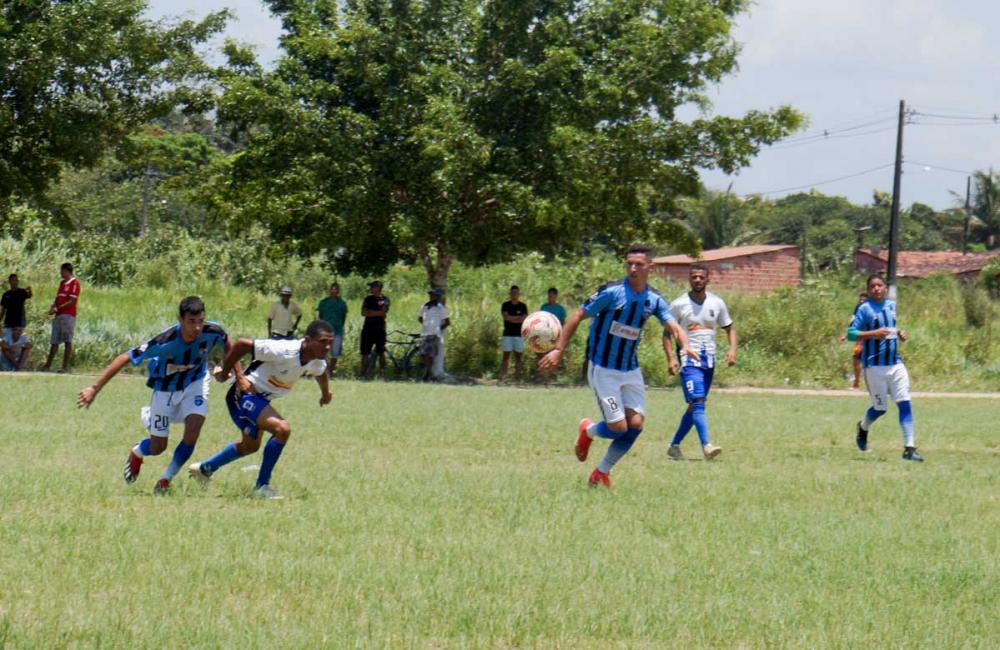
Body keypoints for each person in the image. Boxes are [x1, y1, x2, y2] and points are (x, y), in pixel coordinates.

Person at [539, 244, 699, 488]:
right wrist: (559, 349)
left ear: (650, 267)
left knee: (635, 426)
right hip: (603, 370)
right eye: (629, 264)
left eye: (639, 264)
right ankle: (588, 431)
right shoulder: (611, 292)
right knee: (617, 427)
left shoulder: (653, 299)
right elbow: (578, 315)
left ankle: (601, 472)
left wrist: (685, 344)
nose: (633, 268)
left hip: (630, 370)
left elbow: (673, 326)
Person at [76, 296, 236, 493]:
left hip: (196, 383)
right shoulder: (164, 341)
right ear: (180, 320)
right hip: (165, 389)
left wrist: (235, 374)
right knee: (158, 446)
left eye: (200, 321)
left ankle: (165, 479)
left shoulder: (213, 331)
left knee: (193, 429)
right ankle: (138, 451)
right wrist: (94, 388)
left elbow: (229, 344)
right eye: (191, 321)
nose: (197, 327)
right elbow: (126, 357)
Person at [188, 320, 334, 499]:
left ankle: (204, 469)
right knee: (282, 429)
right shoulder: (283, 350)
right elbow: (241, 345)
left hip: (260, 399)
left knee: (249, 447)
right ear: (307, 340)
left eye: (330, 342)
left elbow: (321, 373)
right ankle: (262, 486)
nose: (327, 347)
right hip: (243, 395)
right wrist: (234, 375)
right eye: (322, 342)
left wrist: (325, 394)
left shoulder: (316, 360)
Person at [664, 264, 736, 461]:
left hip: (709, 362)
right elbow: (667, 334)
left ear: (707, 280)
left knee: (695, 406)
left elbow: (729, 328)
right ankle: (707, 446)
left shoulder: (717, 303)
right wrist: (671, 358)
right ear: (689, 279)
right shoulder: (679, 304)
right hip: (689, 361)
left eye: (701, 277)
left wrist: (732, 350)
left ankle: (674, 446)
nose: (697, 280)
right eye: (694, 277)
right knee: (698, 403)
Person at [847, 274, 923, 461]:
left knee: (904, 402)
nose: (876, 289)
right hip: (874, 366)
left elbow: (891, 329)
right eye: (872, 286)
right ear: (868, 290)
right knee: (880, 408)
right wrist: (873, 333)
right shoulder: (864, 309)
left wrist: (900, 333)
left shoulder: (891, 306)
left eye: (879, 285)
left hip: (895, 364)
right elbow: (851, 334)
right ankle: (863, 427)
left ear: (885, 288)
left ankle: (909, 448)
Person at [41, 262, 80, 373]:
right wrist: (53, 307)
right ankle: (47, 365)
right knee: (54, 340)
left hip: (68, 315)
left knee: (67, 340)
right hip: (58, 315)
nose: (61, 273)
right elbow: (58, 298)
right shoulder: (62, 283)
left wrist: (58, 308)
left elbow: (72, 301)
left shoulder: (75, 283)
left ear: (67, 271)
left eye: (62, 271)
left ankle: (64, 367)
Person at [418, 288, 450, 380]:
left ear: (438, 297)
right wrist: (426, 324)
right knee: (424, 354)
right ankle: (429, 374)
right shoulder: (424, 307)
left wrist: (438, 329)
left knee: (428, 354)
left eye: (435, 295)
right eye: (431, 295)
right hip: (425, 333)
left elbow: (447, 322)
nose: (432, 297)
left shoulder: (441, 309)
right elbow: (420, 318)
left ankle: (429, 374)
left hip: (434, 334)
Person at [360, 280, 390, 378]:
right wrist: (376, 312)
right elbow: (363, 312)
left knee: (381, 351)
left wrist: (371, 312)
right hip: (367, 328)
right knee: (365, 352)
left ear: (378, 288)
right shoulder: (367, 299)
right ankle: (362, 373)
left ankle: (382, 373)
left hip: (379, 329)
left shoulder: (385, 299)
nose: (370, 289)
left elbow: (383, 313)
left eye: (372, 287)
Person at [317, 282, 348, 376]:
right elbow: (320, 316)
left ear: (338, 291)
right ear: (329, 290)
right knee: (323, 351)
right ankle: (323, 370)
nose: (334, 291)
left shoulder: (342, 303)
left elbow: (343, 317)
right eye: (332, 289)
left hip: (337, 330)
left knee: (335, 352)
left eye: (336, 289)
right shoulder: (323, 302)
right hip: (325, 331)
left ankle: (331, 371)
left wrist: (340, 325)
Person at [839, 291, 868, 389]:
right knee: (856, 359)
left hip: (872, 339)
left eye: (864, 300)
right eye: (860, 300)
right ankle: (856, 384)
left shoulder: (872, 310)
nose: (861, 301)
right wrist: (846, 335)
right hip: (860, 339)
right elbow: (853, 325)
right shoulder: (858, 309)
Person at [499, 285, 528, 380]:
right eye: (513, 292)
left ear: (519, 294)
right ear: (510, 294)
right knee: (505, 356)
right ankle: (503, 377)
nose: (514, 294)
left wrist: (511, 318)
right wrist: (517, 318)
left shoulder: (523, 306)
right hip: (507, 334)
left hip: (519, 335)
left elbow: (523, 319)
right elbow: (506, 317)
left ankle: (517, 378)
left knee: (518, 357)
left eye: (516, 292)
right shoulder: (505, 305)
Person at [0, 273, 33, 337]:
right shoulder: (6, 294)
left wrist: (29, 289)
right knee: (7, 339)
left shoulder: (22, 291)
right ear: (9, 282)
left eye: (16, 280)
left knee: (18, 340)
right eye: (13, 280)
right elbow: (3, 310)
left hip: (19, 321)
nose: (14, 282)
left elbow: (30, 295)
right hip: (8, 322)